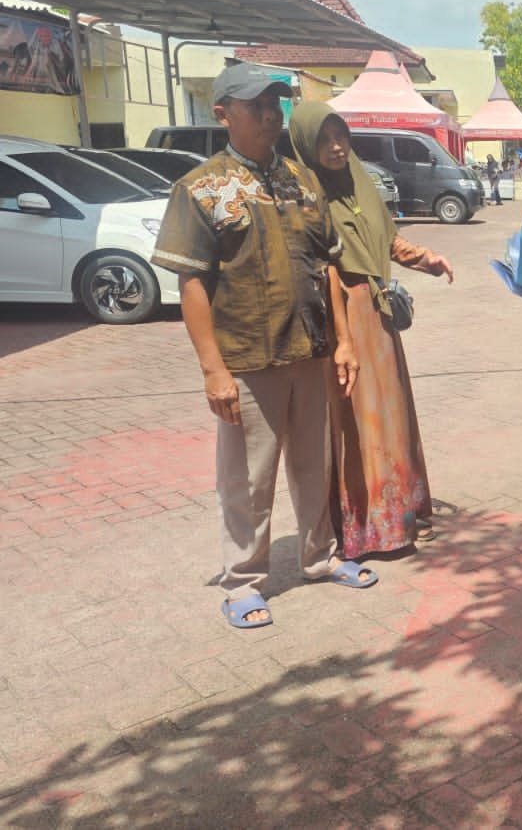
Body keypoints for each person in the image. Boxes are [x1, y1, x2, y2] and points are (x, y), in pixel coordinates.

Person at [148, 63, 372, 630]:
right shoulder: (201, 189)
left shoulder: (301, 179)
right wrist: (212, 370)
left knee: (314, 464)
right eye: (258, 105)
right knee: (249, 478)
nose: (272, 114)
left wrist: (344, 342)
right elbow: (191, 282)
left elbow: (328, 267)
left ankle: (320, 557)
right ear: (223, 113)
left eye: (277, 104)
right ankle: (244, 581)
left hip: (311, 349)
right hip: (248, 357)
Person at [289, 101, 453, 561]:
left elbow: (387, 238)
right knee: (358, 422)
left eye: (340, 136)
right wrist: (343, 336)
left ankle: (400, 514)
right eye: (323, 140)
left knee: (392, 413)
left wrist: (428, 259)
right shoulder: (307, 196)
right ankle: (366, 527)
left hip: (377, 315)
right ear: (305, 145)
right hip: (343, 318)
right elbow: (325, 269)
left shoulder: (360, 183)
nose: (336, 147)